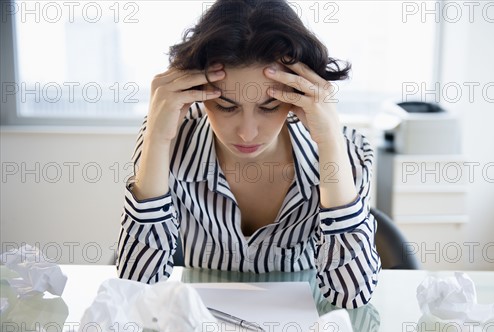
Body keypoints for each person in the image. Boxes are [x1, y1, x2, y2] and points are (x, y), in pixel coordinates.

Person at [116, 0, 380, 308]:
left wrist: (330, 143)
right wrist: (157, 140)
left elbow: (351, 295)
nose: (247, 133)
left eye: (269, 107)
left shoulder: (347, 151)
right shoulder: (171, 138)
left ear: (298, 96)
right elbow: (137, 289)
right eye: (226, 107)